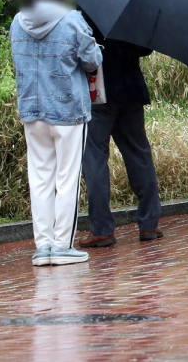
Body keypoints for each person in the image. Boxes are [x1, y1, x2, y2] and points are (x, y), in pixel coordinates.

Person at [10, 0, 103, 266]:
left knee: (39, 177)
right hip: (67, 108)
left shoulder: (18, 21)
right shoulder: (71, 19)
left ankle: (43, 246)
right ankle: (62, 245)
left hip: (32, 108)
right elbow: (91, 61)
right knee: (67, 177)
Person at [78, 24, 162, 248]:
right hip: (131, 88)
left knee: (94, 158)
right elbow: (145, 48)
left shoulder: (84, 12)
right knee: (139, 154)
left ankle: (102, 230)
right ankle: (149, 224)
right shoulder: (133, 9)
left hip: (98, 91)